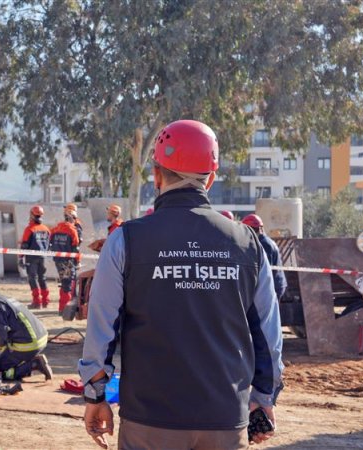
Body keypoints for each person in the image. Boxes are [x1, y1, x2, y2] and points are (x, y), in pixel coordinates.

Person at [80, 120, 283, 449]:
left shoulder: (125, 241)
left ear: (156, 175)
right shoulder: (248, 244)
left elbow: (101, 327)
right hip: (225, 421)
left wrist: (96, 394)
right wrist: (264, 398)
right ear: (211, 178)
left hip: (148, 422)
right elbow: (269, 337)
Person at [0, 277, 53, 380]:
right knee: (2, 360)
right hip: (40, 337)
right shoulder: (2, 299)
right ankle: (28, 361)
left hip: (28, 344)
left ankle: (34, 364)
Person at [243, 213, 288, 301]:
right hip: (276, 284)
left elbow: (266, 270)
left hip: (274, 285)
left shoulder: (264, 244)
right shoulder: (264, 241)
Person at [19, 205, 51, 308]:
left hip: (31, 258)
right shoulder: (46, 229)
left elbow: (24, 245)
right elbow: (49, 244)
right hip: (42, 257)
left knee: (32, 278)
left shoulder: (29, 229)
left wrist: (20, 258)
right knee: (42, 278)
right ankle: (45, 301)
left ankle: (37, 302)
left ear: (32, 215)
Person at [50, 211, 81, 313]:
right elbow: (75, 248)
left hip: (58, 260)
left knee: (64, 282)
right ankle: (65, 309)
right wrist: (77, 262)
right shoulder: (72, 230)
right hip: (68, 262)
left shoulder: (55, 229)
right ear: (71, 218)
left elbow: (50, 243)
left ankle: (61, 308)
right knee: (67, 284)